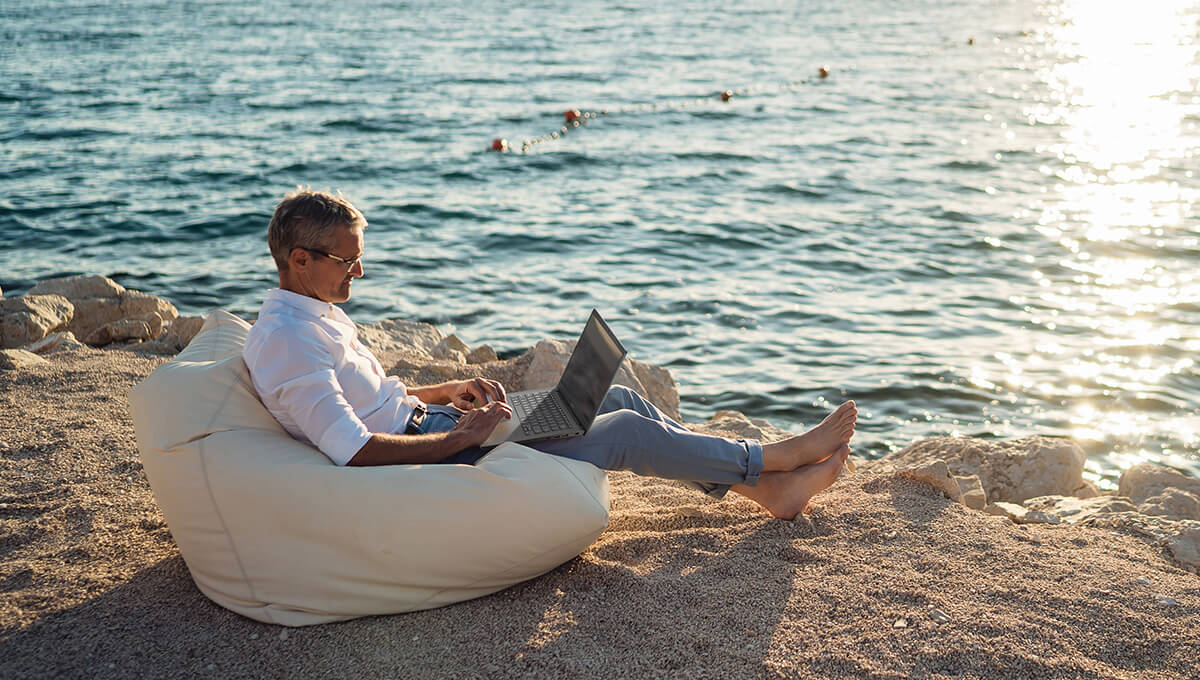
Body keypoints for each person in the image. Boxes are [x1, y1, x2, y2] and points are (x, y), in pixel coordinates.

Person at [243, 188, 857, 519]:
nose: (359, 271)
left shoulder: (314, 313)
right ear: (300, 260)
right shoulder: (289, 343)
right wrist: (464, 436)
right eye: (349, 262)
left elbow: (376, 402)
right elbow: (354, 450)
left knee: (613, 394)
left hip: (440, 424)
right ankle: (773, 458)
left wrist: (445, 396)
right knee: (623, 432)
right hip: (440, 455)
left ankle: (767, 491)